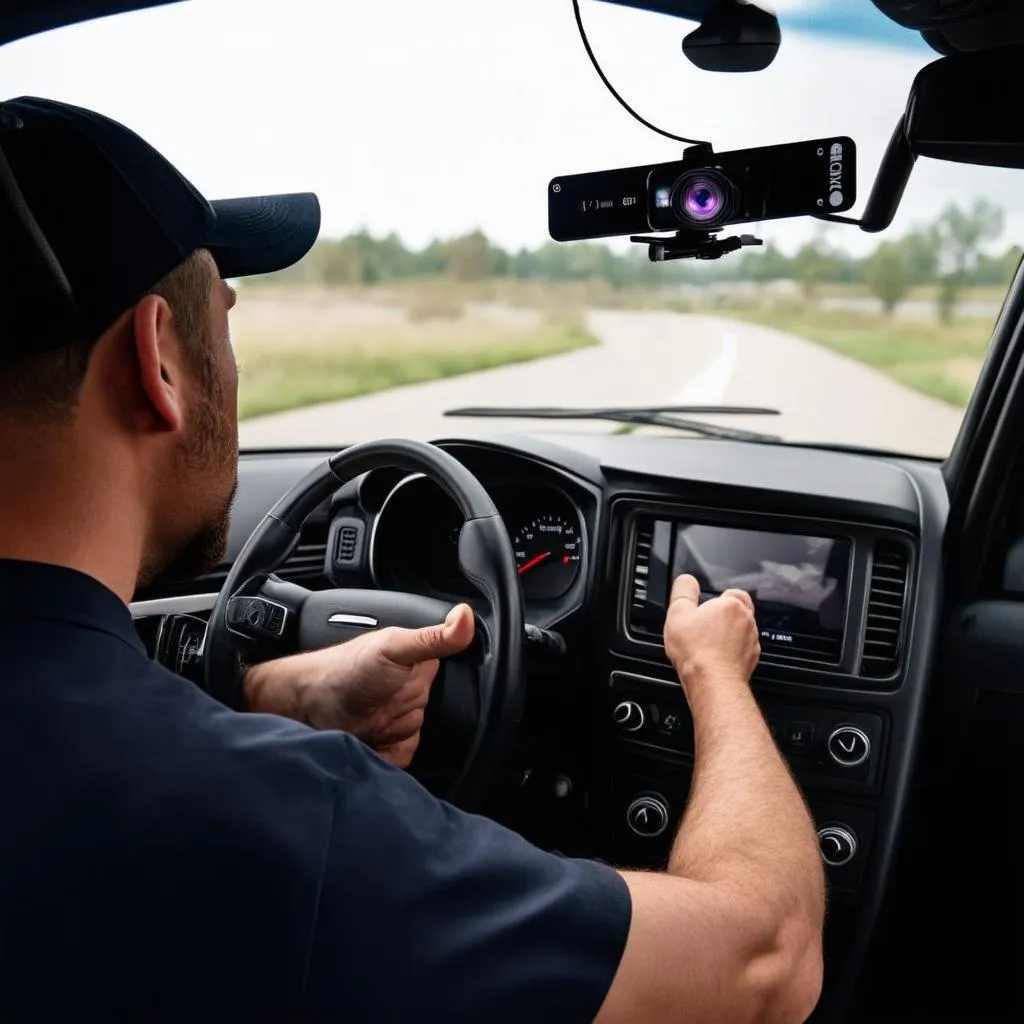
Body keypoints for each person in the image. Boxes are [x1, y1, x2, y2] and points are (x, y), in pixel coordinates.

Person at [0, 96, 825, 1022]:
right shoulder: (279, 822)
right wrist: (716, 675)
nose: (233, 369)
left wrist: (267, 694)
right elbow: (767, 964)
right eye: (223, 329)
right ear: (158, 364)